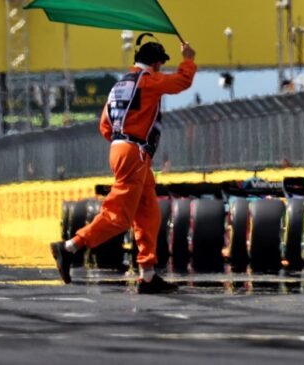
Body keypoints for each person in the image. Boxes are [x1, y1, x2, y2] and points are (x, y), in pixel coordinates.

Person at [51, 33, 196, 294]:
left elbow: (105, 126)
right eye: (161, 64)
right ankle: (70, 246)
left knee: (148, 210)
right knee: (119, 217)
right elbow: (181, 82)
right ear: (155, 63)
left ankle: (148, 275)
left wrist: (124, 139)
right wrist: (188, 60)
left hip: (122, 147)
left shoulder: (119, 85)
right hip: (134, 152)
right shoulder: (148, 81)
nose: (161, 69)